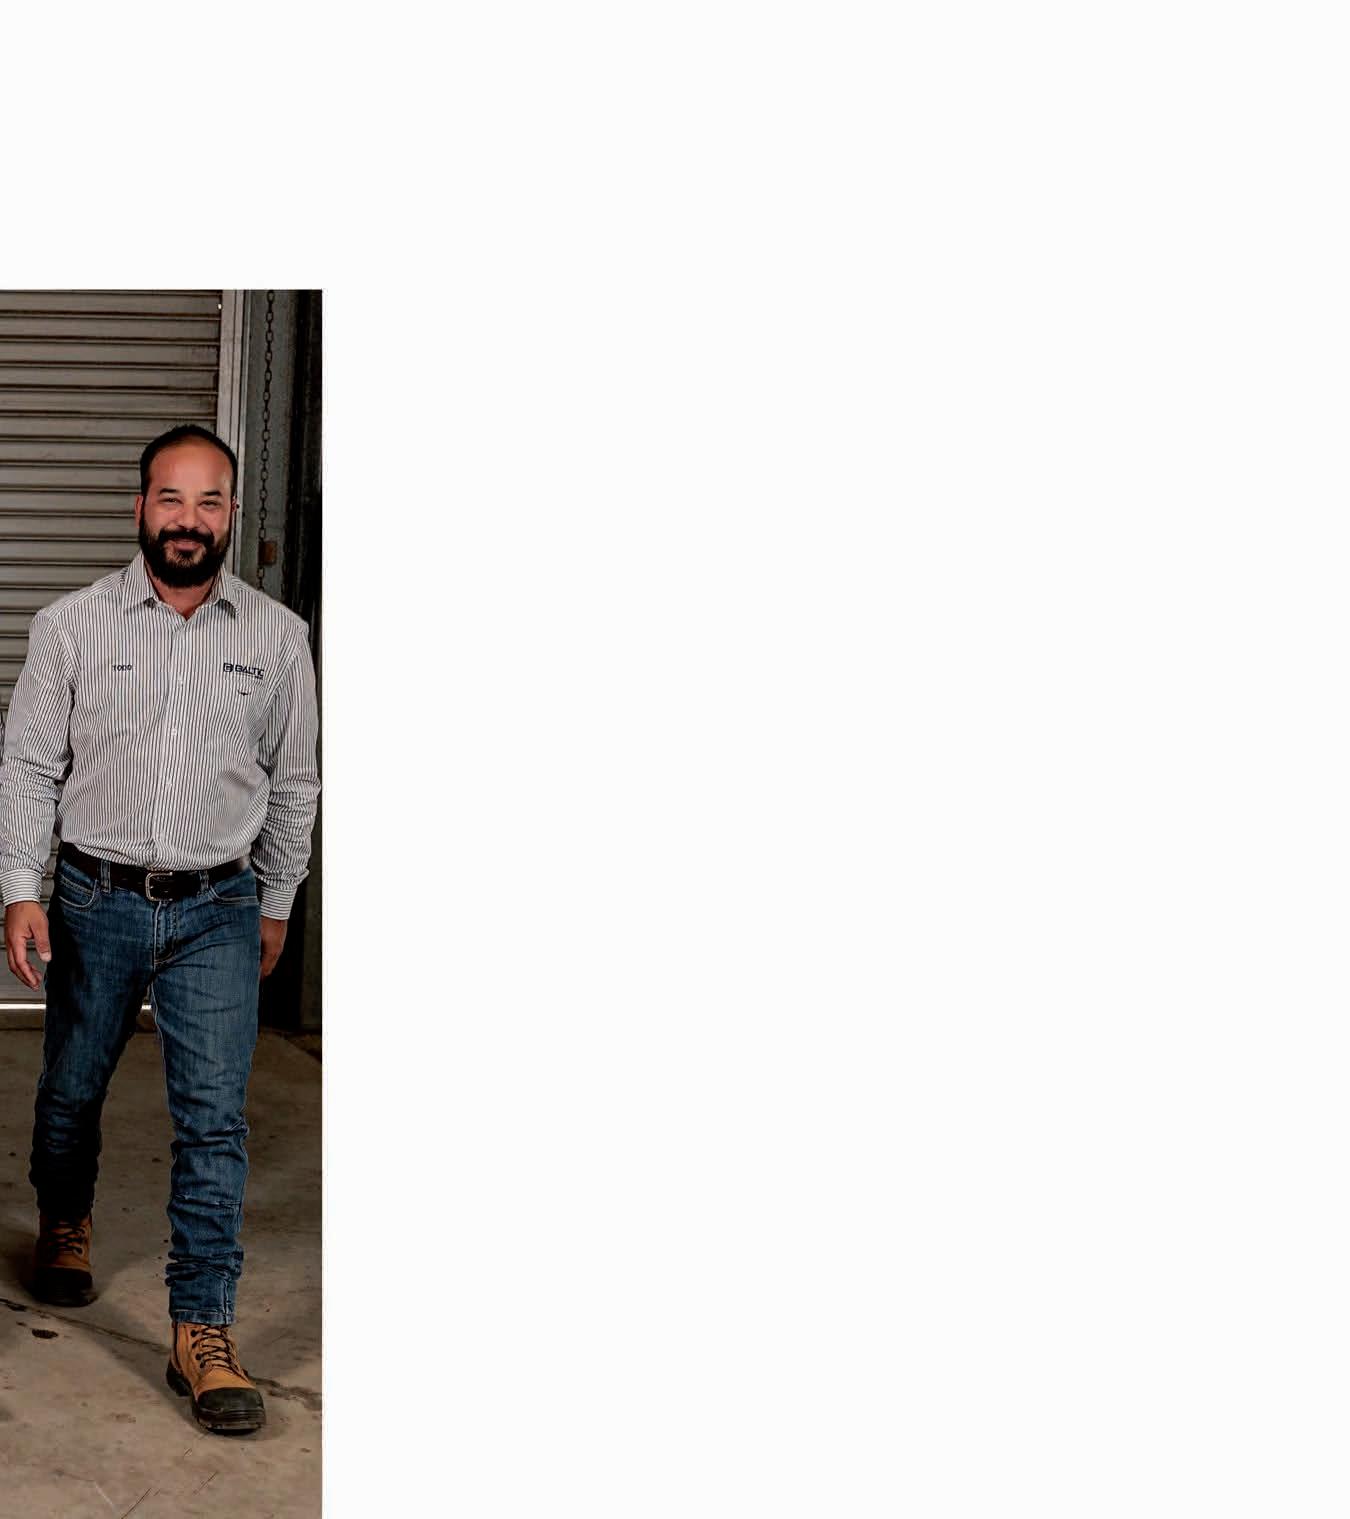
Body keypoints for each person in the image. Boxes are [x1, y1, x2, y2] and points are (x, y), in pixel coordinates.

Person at [0, 423, 319, 1435]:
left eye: (209, 500)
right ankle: (66, 1216)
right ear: (140, 508)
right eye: (171, 498)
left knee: (215, 1120)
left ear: (232, 514)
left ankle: (202, 1328)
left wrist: (276, 901)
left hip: (217, 907)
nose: (189, 519)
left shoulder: (277, 639)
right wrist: (21, 889)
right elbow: (30, 765)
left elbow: (296, 783)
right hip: (92, 898)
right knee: (71, 1089)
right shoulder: (71, 625)